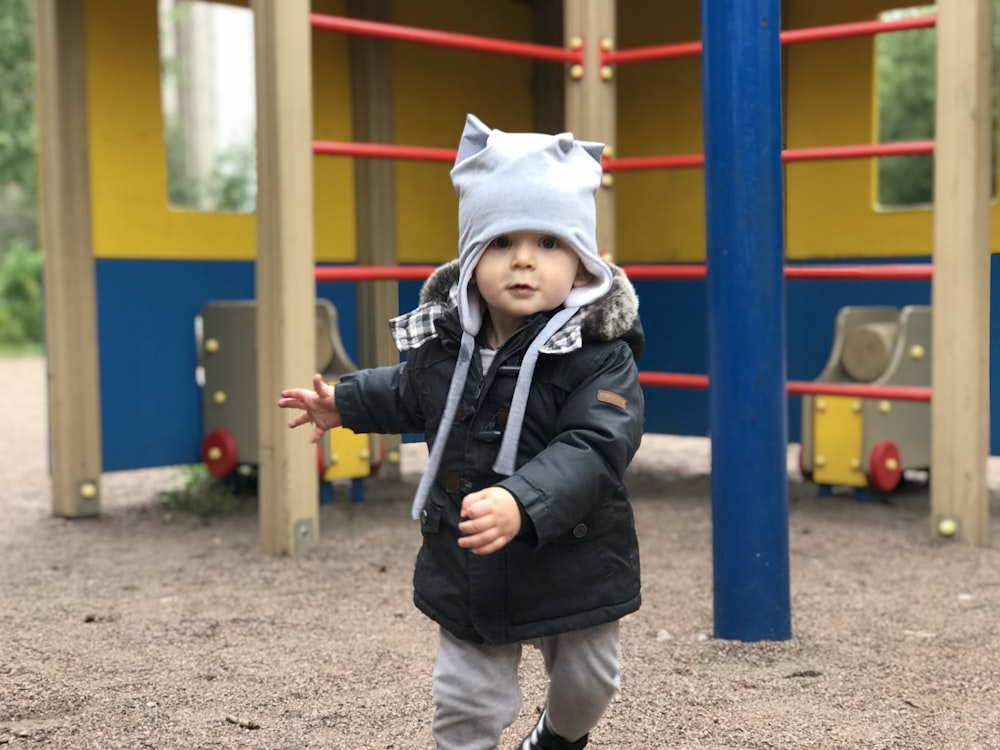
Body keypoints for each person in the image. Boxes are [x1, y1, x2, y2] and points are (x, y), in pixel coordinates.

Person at [278, 113, 644, 750]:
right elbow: (409, 391)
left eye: (549, 243)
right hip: (471, 555)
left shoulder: (598, 353)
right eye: (502, 243)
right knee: (467, 701)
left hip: (576, 556)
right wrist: (346, 403)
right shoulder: (445, 342)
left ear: (582, 267)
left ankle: (557, 739)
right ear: (472, 258)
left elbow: (596, 444)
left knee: (591, 682)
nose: (524, 259)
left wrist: (520, 500)